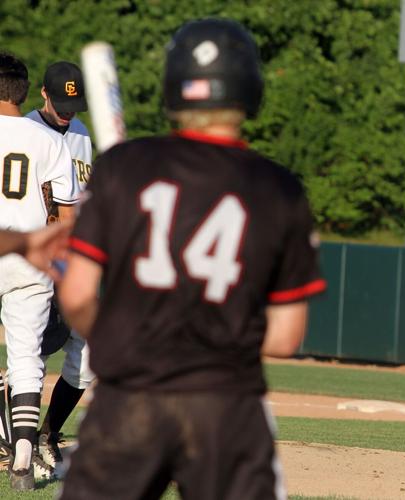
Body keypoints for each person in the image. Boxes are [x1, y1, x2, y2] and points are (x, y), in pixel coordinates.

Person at [57, 18, 326, 500]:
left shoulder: (123, 166)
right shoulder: (280, 189)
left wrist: (125, 335)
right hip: (227, 405)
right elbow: (286, 337)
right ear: (249, 87)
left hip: (130, 397)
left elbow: (76, 294)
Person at [0, 51, 79, 490]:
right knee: (27, 355)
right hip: (31, 256)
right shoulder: (50, 140)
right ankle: (24, 457)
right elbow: (66, 220)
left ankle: (4, 435)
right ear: (26, 93)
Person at [26, 61, 94, 470]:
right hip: (36, 256)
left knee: (86, 355)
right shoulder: (27, 132)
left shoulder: (82, 133)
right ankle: (17, 442)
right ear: (43, 95)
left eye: (76, 102)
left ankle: (49, 435)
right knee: (34, 350)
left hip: (77, 258)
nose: (69, 110)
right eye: (62, 101)